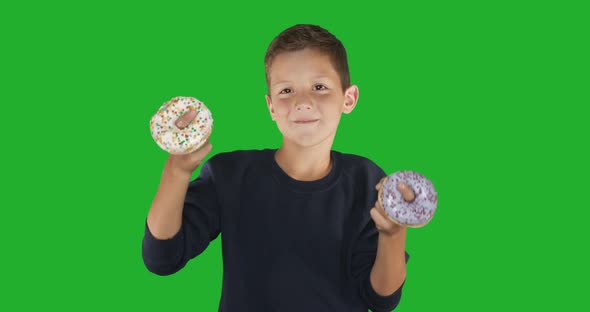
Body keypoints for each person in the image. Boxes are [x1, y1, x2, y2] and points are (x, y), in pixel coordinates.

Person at [142, 24, 415, 312]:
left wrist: (394, 234)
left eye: (319, 87)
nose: (302, 102)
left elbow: (382, 299)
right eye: (286, 90)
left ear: (349, 98)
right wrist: (177, 170)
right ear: (271, 107)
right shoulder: (230, 175)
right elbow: (162, 257)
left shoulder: (368, 180)